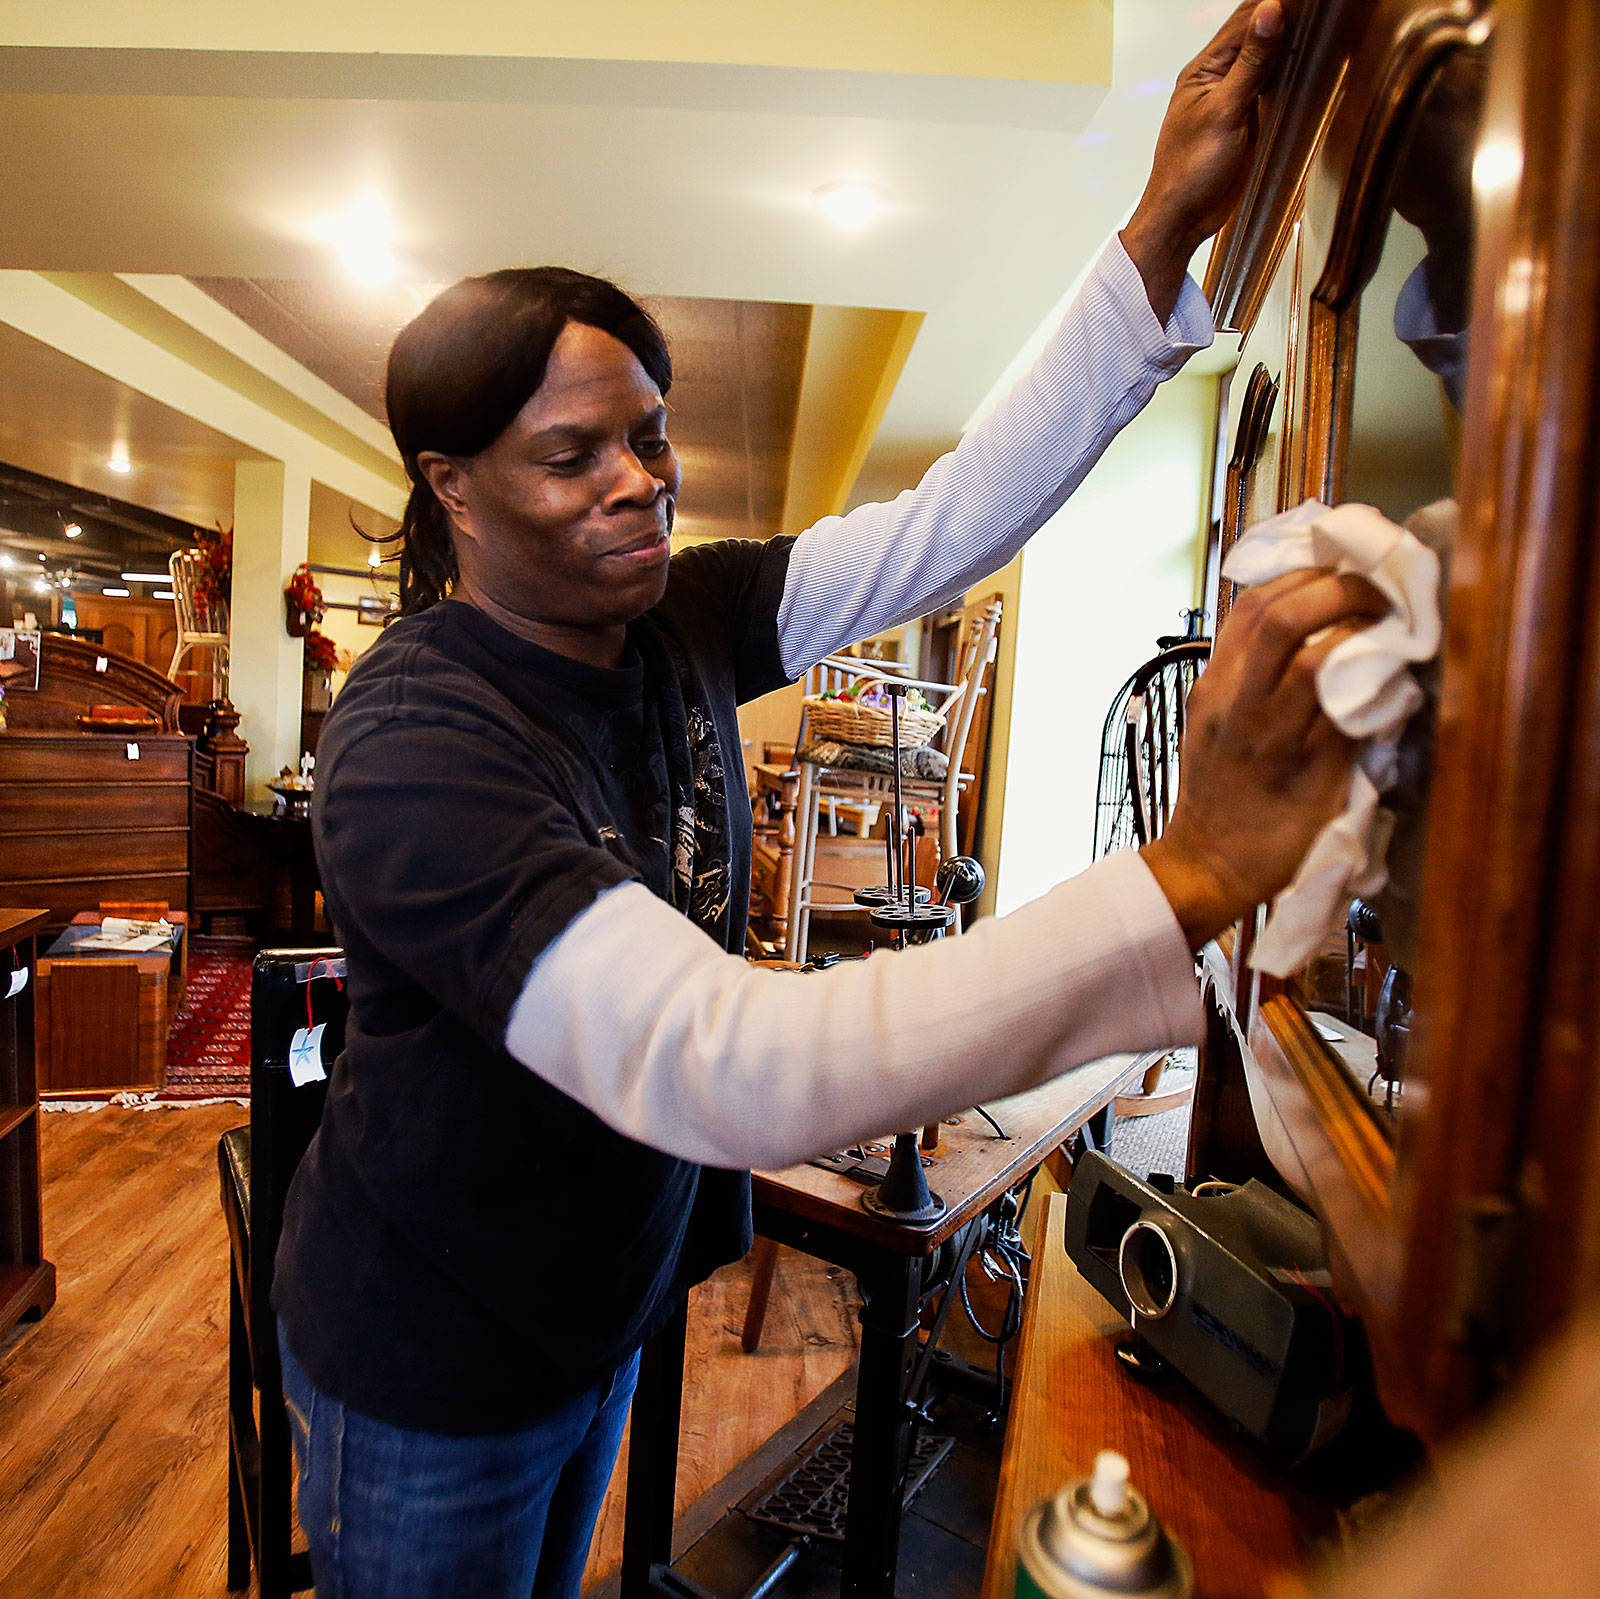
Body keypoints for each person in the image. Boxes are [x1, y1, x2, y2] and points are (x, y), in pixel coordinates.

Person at [272, 4, 1376, 1594]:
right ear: (452, 487)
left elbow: (950, 522)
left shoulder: (683, 618)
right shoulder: (417, 744)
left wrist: (1157, 230)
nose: (637, 481)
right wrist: (1188, 871)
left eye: (648, 437)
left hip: (599, 1296)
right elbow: (723, 1061)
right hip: (434, 1343)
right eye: (571, 455)